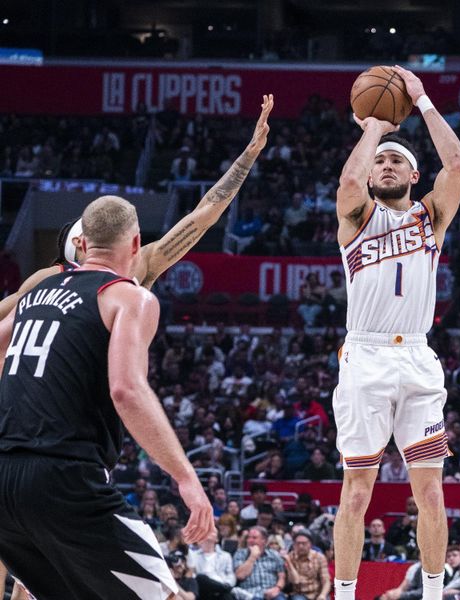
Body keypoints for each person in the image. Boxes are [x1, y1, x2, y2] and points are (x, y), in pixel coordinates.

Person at [0, 196, 215, 598]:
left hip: (5, 478)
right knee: (167, 596)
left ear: (83, 244)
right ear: (135, 245)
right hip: (64, 479)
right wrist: (186, 477)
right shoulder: (129, 296)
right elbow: (126, 389)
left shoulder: (36, 293)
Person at [331, 65, 460, 600]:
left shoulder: (430, 218)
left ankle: (433, 593)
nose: (386, 165)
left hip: (415, 356)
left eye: (397, 161)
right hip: (363, 355)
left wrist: (423, 100)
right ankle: (345, 594)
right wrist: (374, 128)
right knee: (356, 491)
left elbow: (455, 164)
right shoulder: (356, 217)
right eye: (380, 162)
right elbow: (347, 181)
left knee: (430, 491)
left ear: (413, 176)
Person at [0, 94, 274, 321]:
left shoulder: (47, 281)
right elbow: (206, 214)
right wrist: (249, 155)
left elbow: (204, 214)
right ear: (82, 244)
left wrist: (249, 154)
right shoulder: (131, 270)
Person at [232, 526, 286, 600]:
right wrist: (252, 557)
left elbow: (282, 577)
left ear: (264, 540)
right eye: (249, 537)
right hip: (249, 594)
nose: (250, 540)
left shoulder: (274, 555)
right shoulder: (240, 554)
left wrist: (277, 588)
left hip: (272, 592)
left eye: (254, 538)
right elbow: (240, 575)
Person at [281, 528, 331, 600]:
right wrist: (289, 562)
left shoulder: (319, 557)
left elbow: (326, 580)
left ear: (310, 544)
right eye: (298, 543)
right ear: (294, 544)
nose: (301, 546)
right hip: (300, 593)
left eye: (304, 543)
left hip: (317, 592)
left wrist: (323, 595)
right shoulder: (290, 557)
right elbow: (296, 581)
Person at [188, 530, 237, 599]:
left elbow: (230, 574)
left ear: (217, 539)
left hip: (220, 587)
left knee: (227, 596)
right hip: (203, 589)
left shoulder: (225, 555)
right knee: (201, 577)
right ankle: (227, 589)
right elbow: (191, 575)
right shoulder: (193, 555)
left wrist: (227, 583)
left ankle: (224, 588)